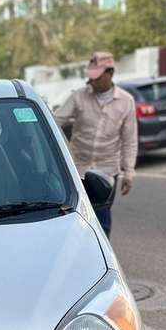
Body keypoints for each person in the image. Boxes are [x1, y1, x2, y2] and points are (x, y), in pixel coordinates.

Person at [54, 51, 138, 238]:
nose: (91, 82)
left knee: (101, 219)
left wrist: (129, 172)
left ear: (109, 74)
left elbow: (129, 140)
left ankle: (102, 260)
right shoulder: (79, 96)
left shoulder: (126, 101)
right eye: (90, 78)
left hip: (106, 171)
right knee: (75, 217)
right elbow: (56, 121)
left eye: (96, 78)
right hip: (77, 170)